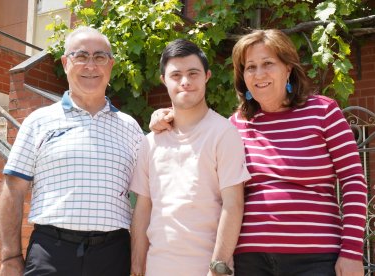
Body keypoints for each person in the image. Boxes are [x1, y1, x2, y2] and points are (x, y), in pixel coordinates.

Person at [150, 29, 367, 276]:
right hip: (250, 261)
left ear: (288, 68)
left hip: (315, 257)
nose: (259, 73)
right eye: (250, 67)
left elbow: (353, 182)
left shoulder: (323, 112)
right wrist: (165, 116)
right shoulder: (235, 125)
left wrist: (351, 252)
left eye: (268, 63)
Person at [0, 26, 144, 276]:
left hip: (113, 255)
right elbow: (14, 190)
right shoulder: (39, 121)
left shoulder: (131, 128)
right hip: (51, 254)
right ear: (66, 62)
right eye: (81, 56)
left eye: (100, 57)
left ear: (111, 65)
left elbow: (144, 200)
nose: (91, 66)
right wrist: (10, 256)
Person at [129, 39, 251, 276]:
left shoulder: (224, 133)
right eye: (176, 75)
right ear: (164, 80)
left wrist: (218, 268)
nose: (185, 82)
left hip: (206, 270)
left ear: (206, 76)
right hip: (156, 268)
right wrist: (136, 267)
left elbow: (233, 205)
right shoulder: (150, 142)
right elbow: (143, 209)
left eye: (193, 73)